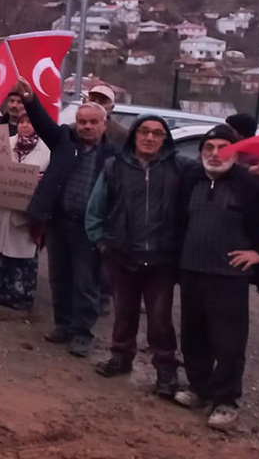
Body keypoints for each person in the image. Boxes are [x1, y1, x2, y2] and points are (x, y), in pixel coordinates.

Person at [172, 125, 259, 430]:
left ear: (236, 152)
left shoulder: (250, 185)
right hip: (191, 271)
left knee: (229, 344)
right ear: (201, 152)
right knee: (193, 337)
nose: (216, 154)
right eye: (209, 148)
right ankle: (199, 389)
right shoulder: (191, 179)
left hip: (228, 278)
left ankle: (226, 400)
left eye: (224, 148)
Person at [85, 116, 186, 397]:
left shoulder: (179, 168)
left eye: (157, 133)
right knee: (124, 313)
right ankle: (121, 357)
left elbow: (216, 173)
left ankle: (166, 371)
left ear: (165, 139)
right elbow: (95, 209)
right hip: (121, 255)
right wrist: (102, 243)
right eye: (144, 131)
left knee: (159, 319)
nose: (150, 138)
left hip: (161, 260)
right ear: (134, 135)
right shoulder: (114, 167)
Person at [16, 78, 116, 358]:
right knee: (59, 278)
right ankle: (62, 325)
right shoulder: (63, 140)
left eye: (93, 122)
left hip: (89, 229)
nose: (86, 126)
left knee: (86, 282)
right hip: (59, 222)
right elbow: (43, 123)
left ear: (104, 125)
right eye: (82, 121)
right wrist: (30, 99)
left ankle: (82, 332)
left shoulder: (113, 157)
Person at [0, 114, 50, 310]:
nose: (24, 126)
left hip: (25, 213)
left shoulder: (47, 149)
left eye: (30, 122)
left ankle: (20, 297)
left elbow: (52, 176)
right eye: (22, 122)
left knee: (21, 253)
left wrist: (41, 180)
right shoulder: (4, 143)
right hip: (1, 206)